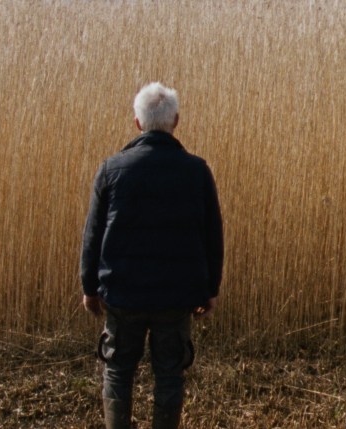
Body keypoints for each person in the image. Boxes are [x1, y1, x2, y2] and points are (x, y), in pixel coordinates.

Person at [80, 82, 224, 429]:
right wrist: (209, 289)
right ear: (175, 121)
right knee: (170, 374)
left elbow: (93, 234)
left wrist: (89, 288)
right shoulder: (196, 171)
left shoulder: (112, 170)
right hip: (176, 296)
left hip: (122, 293)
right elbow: (212, 235)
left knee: (118, 371)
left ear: (137, 123)